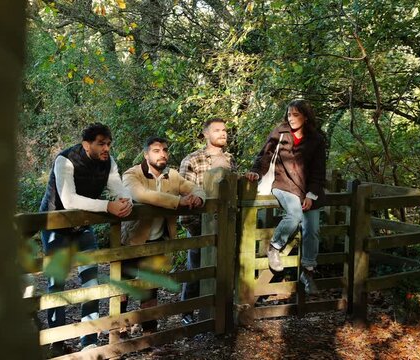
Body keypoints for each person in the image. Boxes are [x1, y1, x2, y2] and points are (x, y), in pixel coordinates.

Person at [39, 122, 132, 354]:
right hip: (55, 227)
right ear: (86, 144)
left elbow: (119, 188)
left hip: (83, 227)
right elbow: (69, 200)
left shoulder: (109, 162)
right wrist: (108, 206)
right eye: (101, 144)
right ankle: (56, 341)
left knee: (91, 282)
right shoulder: (65, 160)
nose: (106, 148)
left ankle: (88, 340)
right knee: (56, 284)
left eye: (109, 144)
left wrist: (125, 201)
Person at [120, 136, 206, 335]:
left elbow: (196, 188)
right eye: (156, 150)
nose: (163, 154)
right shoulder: (131, 174)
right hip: (131, 241)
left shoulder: (172, 176)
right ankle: (119, 328)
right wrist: (179, 201)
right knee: (122, 287)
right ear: (146, 154)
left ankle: (149, 333)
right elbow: (141, 195)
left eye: (165, 150)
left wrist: (198, 198)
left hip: (157, 241)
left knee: (150, 287)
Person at [247, 99, 326, 295]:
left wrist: (311, 194)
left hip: (307, 189)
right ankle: (275, 246)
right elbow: (264, 155)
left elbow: (318, 171)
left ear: (305, 117)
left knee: (312, 230)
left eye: (296, 114)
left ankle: (307, 272)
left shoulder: (316, 139)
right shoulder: (281, 132)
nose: (291, 118)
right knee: (294, 214)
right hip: (282, 183)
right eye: (289, 114)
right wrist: (256, 172)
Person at [178, 118, 235, 325]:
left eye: (224, 130)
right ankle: (187, 312)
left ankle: (220, 312)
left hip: (227, 225)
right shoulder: (192, 160)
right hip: (199, 225)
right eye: (217, 130)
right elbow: (184, 192)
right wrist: (193, 227)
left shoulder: (230, 160)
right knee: (195, 269)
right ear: (205, 134)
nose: (223, 133)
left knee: (225, 269)